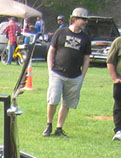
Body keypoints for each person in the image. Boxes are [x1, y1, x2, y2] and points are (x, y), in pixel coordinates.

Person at [43, 7, 90, 138]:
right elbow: (51, 50)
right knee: (53, 100)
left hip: (75, 76)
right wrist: (50, 67)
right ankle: (49, 125)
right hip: (57, 73)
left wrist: (82, 75)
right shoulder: (61, 32)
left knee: (67, 103)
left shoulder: (85, 38)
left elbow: (86, 58)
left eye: (86, 19)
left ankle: (59, 128)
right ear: (74, 19)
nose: (85, 22)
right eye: (83, 19)